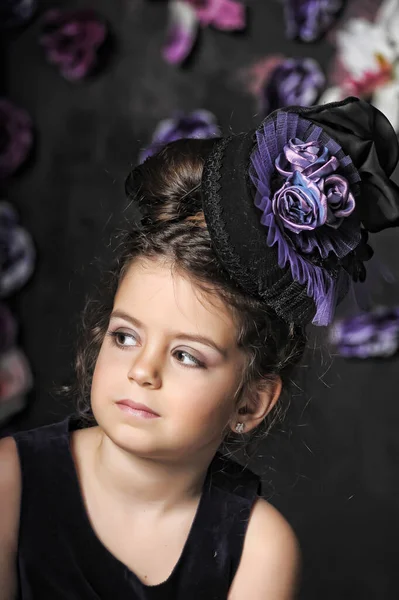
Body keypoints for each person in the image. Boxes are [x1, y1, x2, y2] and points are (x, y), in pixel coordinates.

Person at [1, 97, 399, 600]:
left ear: (250, 403)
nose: (143, 370)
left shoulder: (259, 549)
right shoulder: (9, 483)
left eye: (187, 355)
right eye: (126, 337)